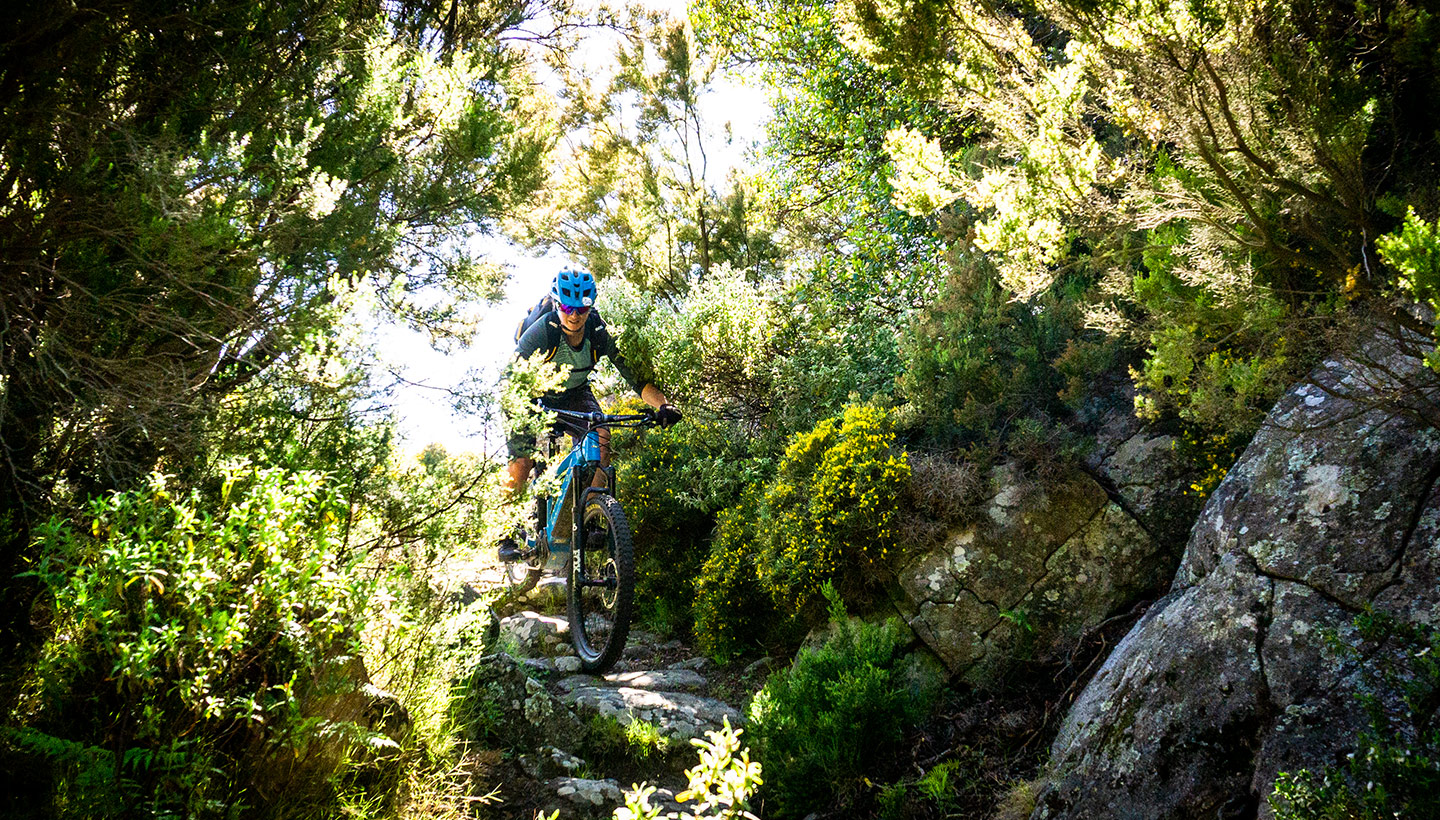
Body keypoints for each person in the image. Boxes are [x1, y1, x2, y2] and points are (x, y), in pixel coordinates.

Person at [498, 269, 681, 560]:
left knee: (602, 437)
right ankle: (505, 532)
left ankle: (593, 515)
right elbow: (510, 378)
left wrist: (663, 405)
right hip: (531, 396)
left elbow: (637, 379)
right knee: (522, 462)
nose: (575, 315)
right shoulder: (544, 331)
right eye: (568, 307)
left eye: (582, 307)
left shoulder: (597, 332)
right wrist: (524, 410)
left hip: (574, 394)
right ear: (558, 305)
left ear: (590, 306)